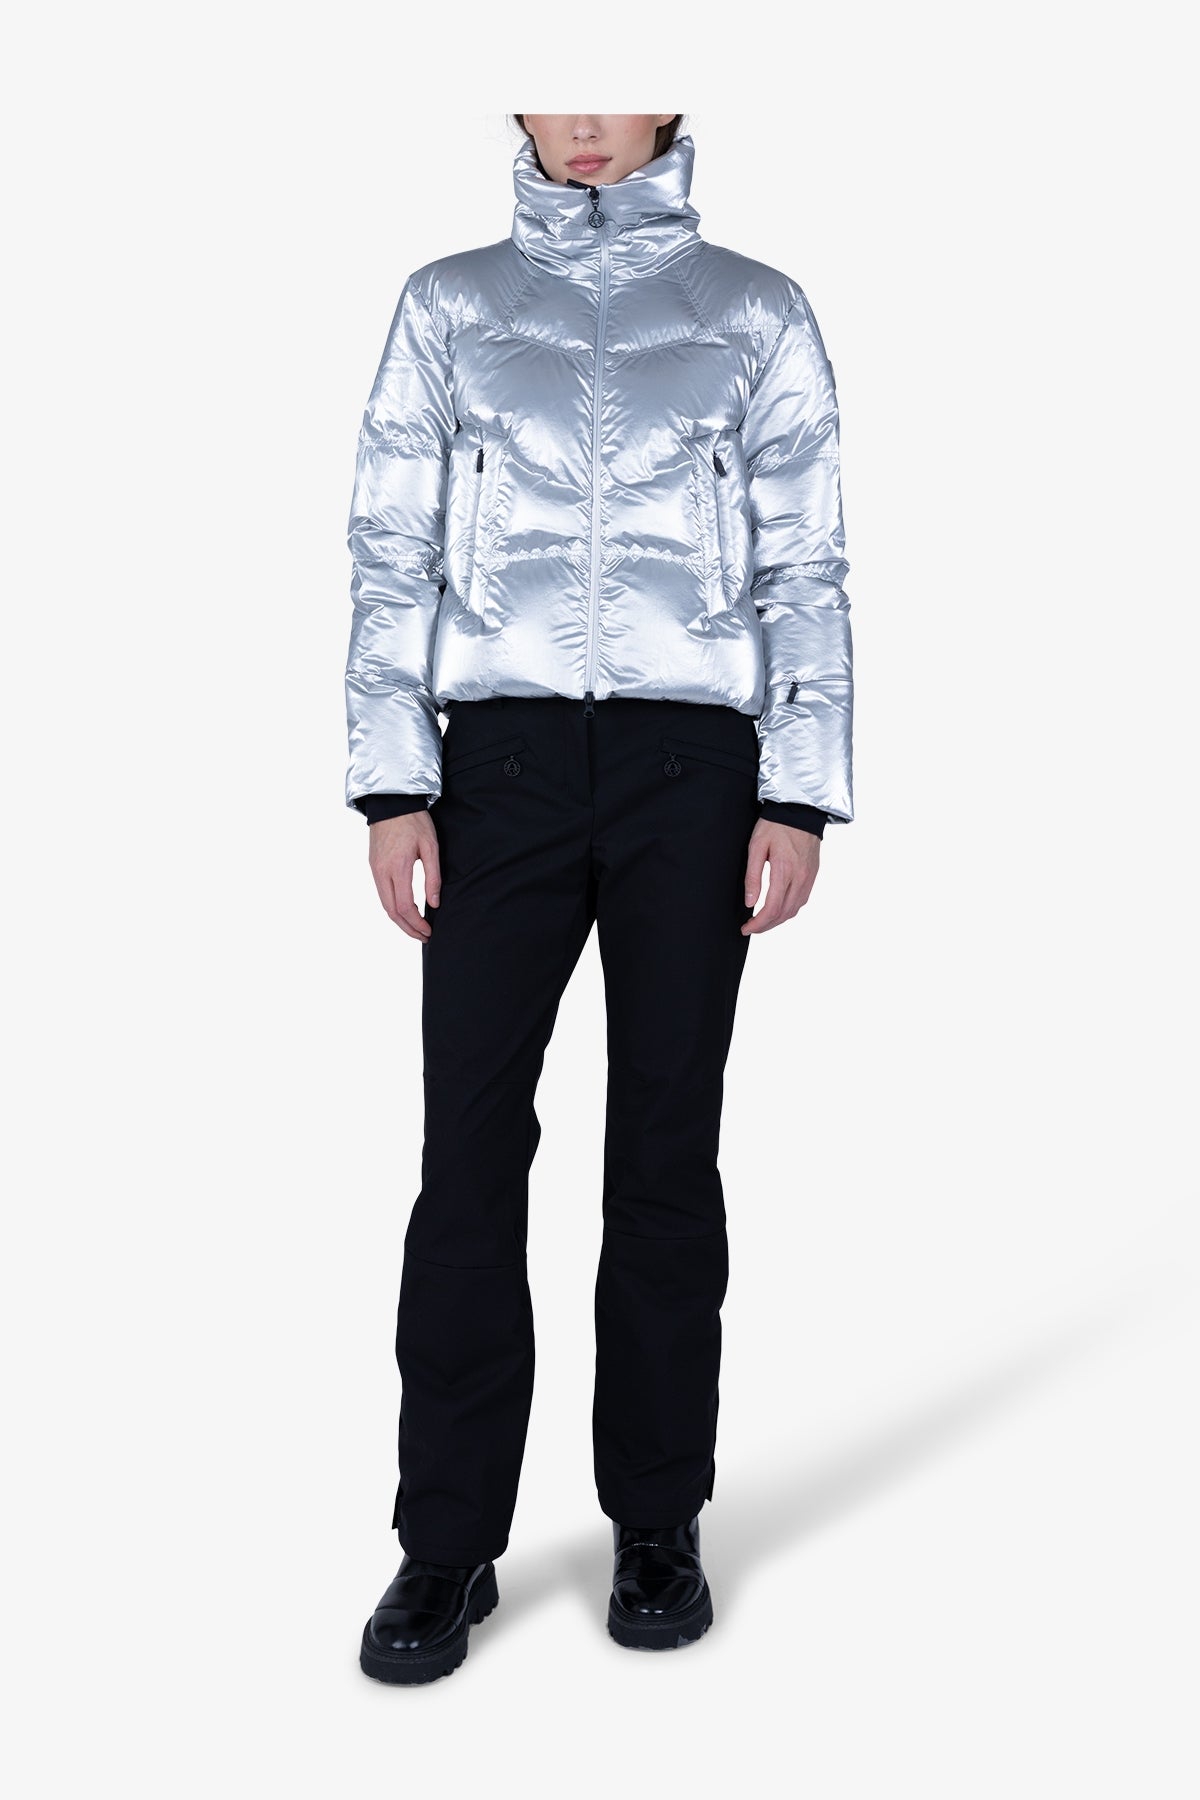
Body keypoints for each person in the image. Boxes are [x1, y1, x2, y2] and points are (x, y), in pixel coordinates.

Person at [344, 113, 853, 1683]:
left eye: (616, 84)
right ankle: (446, 1544)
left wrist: (795, 790)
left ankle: (656, 1520)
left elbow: (807, 561)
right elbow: (389, 545)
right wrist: (394, 780)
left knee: (664, 1150)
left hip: (692, 772)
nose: (580, 118)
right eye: (552, 81)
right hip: (491, 768)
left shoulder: (756, 310)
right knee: (468, 1152)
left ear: (672, 104)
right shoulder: (448, 303)